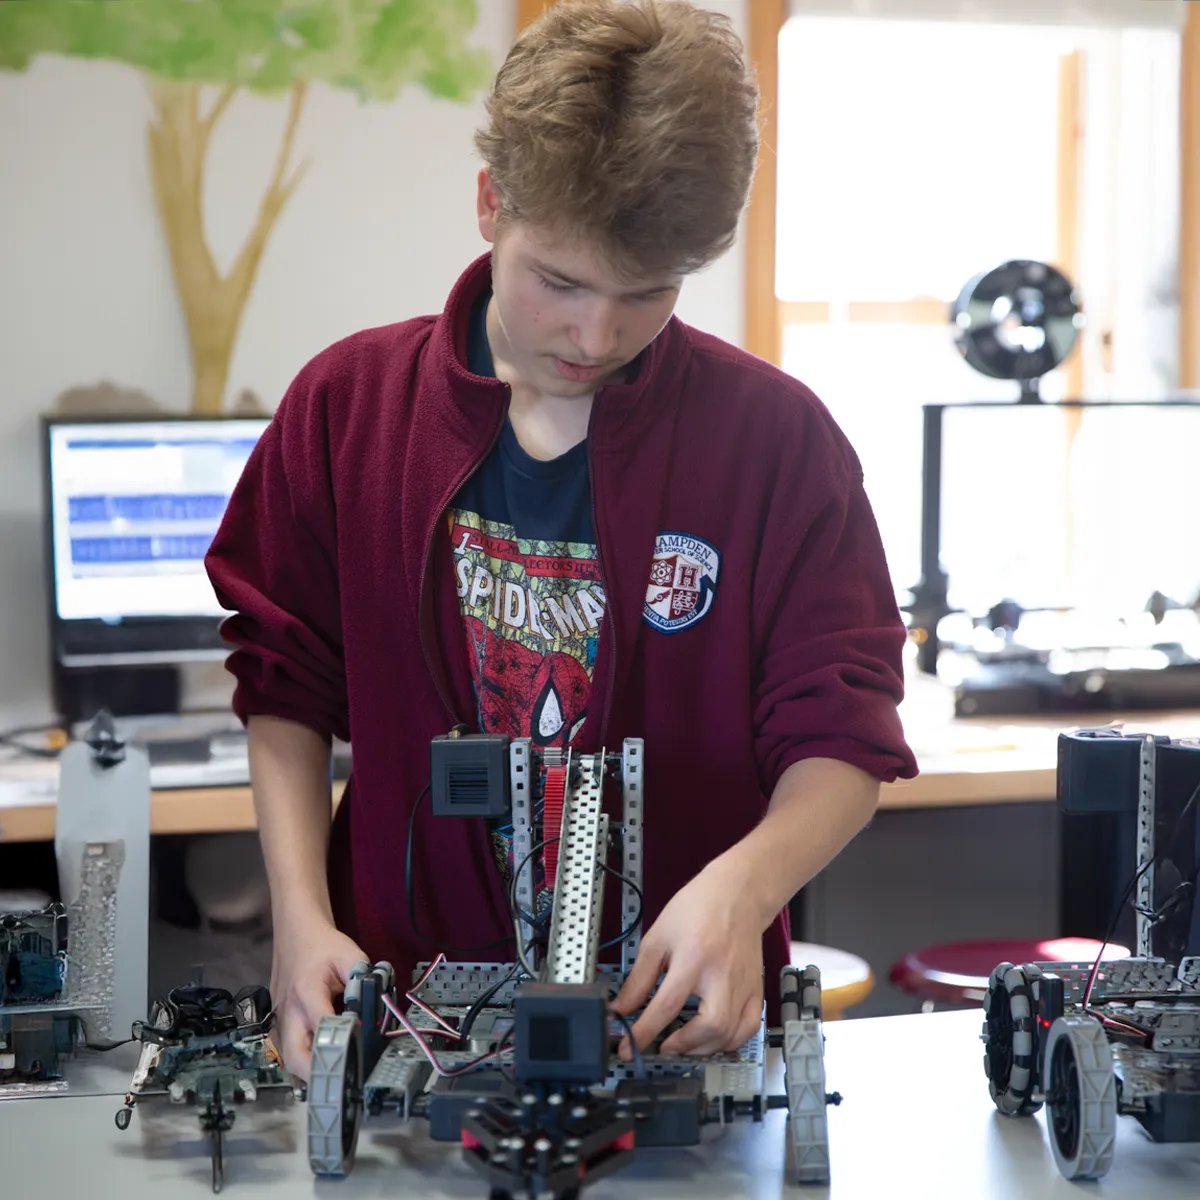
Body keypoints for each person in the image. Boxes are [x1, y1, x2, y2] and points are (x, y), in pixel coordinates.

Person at [204, 0, 917, 1083]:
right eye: (561, 283)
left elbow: (845, 729)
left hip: (679, 1035)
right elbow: (285, 688)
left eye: (647, 295)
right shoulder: (347, 410)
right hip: (409, 1027)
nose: (596, 338)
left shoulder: (778, 443)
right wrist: (298, 923)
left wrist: (744, 892)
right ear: (492, 204)